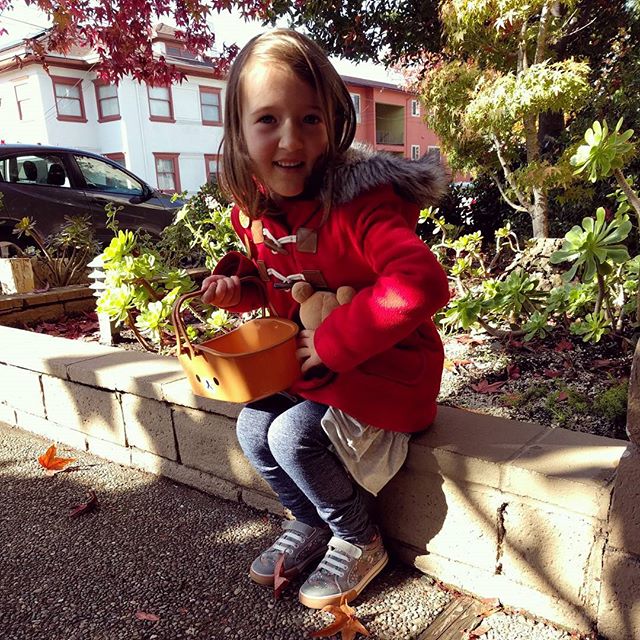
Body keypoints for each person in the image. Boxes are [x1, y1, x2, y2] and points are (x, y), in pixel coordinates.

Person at [200, 28, 450, 609]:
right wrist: (237, 289)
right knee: (251, 427)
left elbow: (420, 282)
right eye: (267, 120)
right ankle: (308, 519)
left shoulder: (360, 207)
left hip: (387, 373)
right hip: (325, 372)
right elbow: (277, 283)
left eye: (309, 119)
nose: (291, 139)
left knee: (290, 435)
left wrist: (335, 339)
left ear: (333, 124)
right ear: (238, 132)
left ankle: (357, 537)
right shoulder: (261, 213)